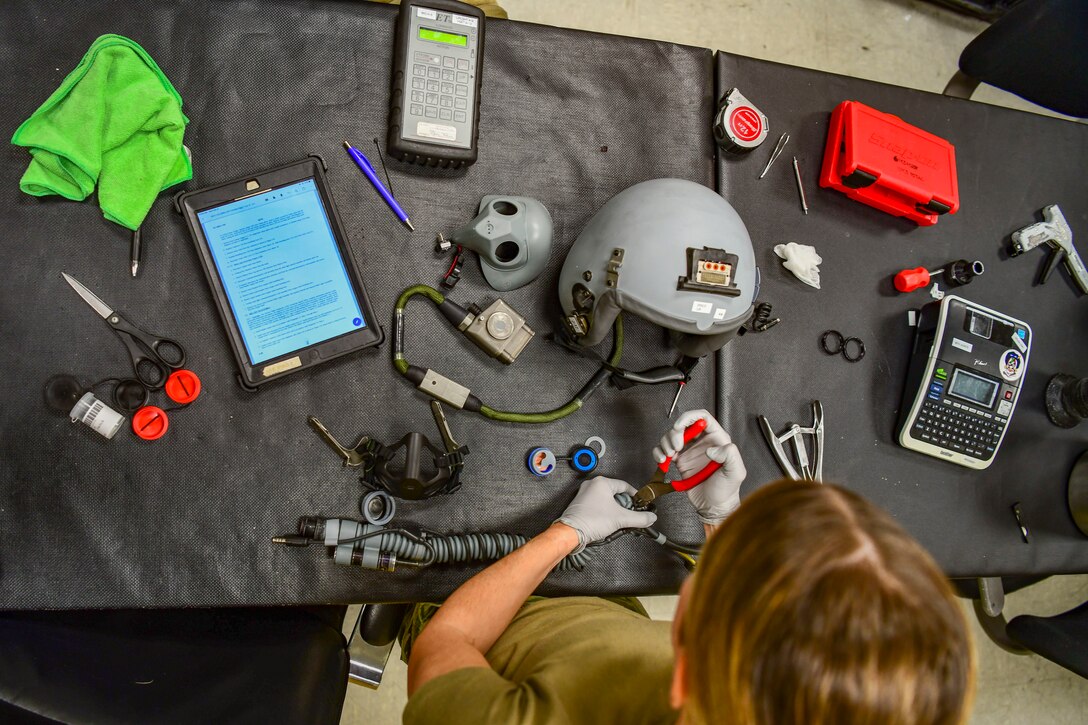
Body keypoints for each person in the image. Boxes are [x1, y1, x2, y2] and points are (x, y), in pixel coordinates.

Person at [402, 409, 975, 724]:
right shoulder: (753, 697)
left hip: (478, 616)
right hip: (600, 616)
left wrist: (566, 534)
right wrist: (722, 517)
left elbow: (446, 642)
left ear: (682, 669)